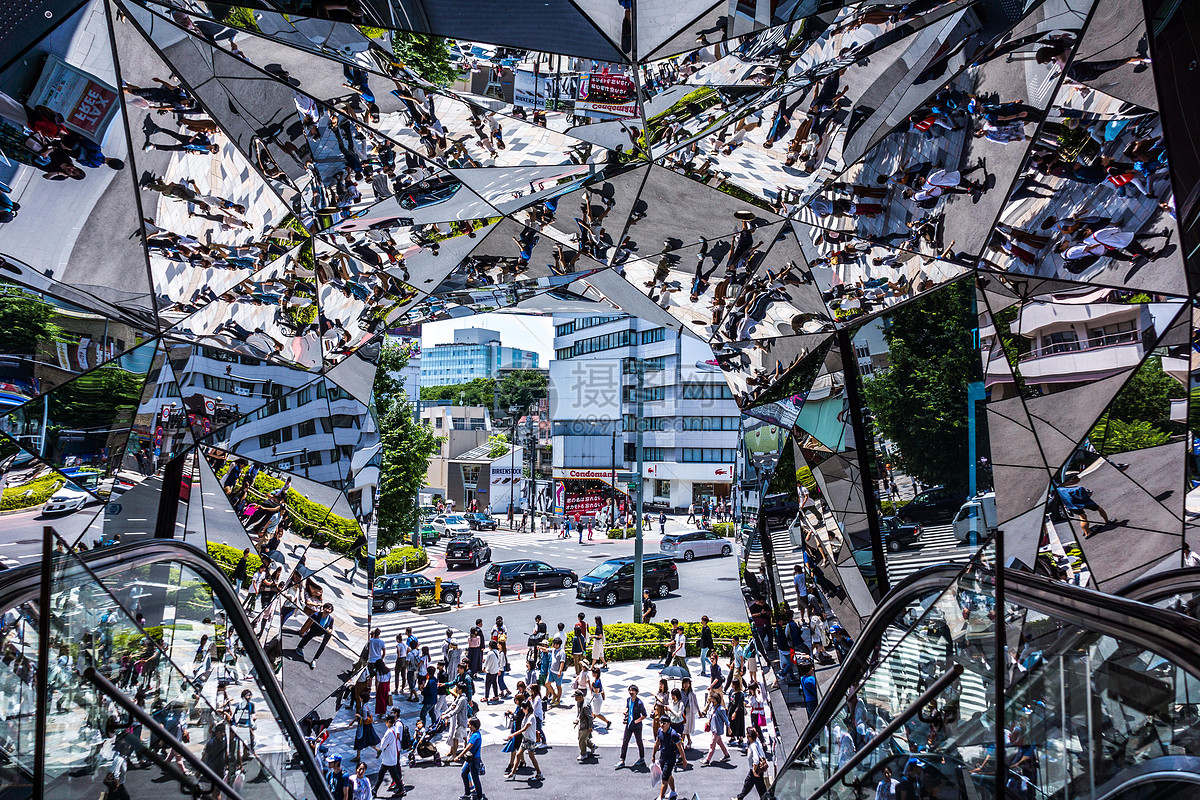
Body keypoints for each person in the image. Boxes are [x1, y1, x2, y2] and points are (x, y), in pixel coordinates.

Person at [653, 713, 685, 800]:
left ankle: (660, 797)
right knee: (669, 775)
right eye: (661, 722)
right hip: (662, 757)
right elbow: (657, 743)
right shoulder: (660, 731)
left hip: (670, 759)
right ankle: (673, 791)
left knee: (664, 780)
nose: (662, 725)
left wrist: (684, 759)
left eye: (664, 723)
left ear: (669, 724)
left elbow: (680, 747)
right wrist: (653, 755)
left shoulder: (673, 734)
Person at [615, 683, 648, 768]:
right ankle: (622, 759)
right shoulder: (628, 700)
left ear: (636, 692)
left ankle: (642, 758)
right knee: (625, 741)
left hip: (637, 726)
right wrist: (626, 711)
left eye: (633, 690)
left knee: (639, 742)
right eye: (630, 690)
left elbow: (644, 715)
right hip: (629, 725)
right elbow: (628, 707)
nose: (631, 692)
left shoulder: (639, 703)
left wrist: (636, 721)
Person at [732, 728, 770, 800]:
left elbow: (755, 759)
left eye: (747, 733)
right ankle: (740, 797)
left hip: (755, 770)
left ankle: (740, 797)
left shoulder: (753, 746)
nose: (746, 734)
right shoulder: (757, 742)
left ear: (749, 736)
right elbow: (762, 755)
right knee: (748, 784)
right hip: (757, 769)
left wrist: (754, 770)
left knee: (760, 788)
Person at [296, 603, 334, 669]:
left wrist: (329, 630)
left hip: (323, 631)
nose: (327, 610)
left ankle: (315, 659)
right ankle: (299, 647)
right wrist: (304, 630)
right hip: (314, 630)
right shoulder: (316, 615)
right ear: (324, 608)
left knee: (325, 641)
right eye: (326, 608)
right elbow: (308, 622)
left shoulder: (331, 619)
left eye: (329, 609)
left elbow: (331, 628)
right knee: (308, 636)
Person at [454, 718, 485, 800]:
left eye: (470, 724)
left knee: (475, 778)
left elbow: (468, 747)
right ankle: (467, 793)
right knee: (464, 773)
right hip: (470, 759)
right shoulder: (473, 733)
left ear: (474, 726)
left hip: (474, 759)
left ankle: (479, 796)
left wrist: (459, 756)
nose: (469, 726)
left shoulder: (476, 736)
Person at [374, 713, 405, 797]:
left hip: (388, 758)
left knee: (383, 775)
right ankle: (375, 790)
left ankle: (375, 790)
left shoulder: (389, 732)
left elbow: (382, 745)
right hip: (391, 757)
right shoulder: (394, 729)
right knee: (393, 775)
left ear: (388, 721)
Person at [702, 688, 731, 764]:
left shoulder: (721, 709)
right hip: (713, 728)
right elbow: (709, 713)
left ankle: (707, 759)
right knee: (719, 742)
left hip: (717, 729)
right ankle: (726, 754)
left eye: (713, 699)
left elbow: (725, 719)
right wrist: (708, 720)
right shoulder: (712, 706)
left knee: (712, 744)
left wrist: (728, 727)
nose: (712, 700)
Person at [573, 688, 596, 761]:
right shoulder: (579, 702)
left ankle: (583, 754)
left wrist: (590, 727)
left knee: (582, 740)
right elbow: (579, 712)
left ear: (580, 696)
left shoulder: (585, 706)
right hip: (581, 723)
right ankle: (592, 746)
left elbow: (590, 717)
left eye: (576, 697)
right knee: (582, 738)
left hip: (585, 725)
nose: (575, 698)